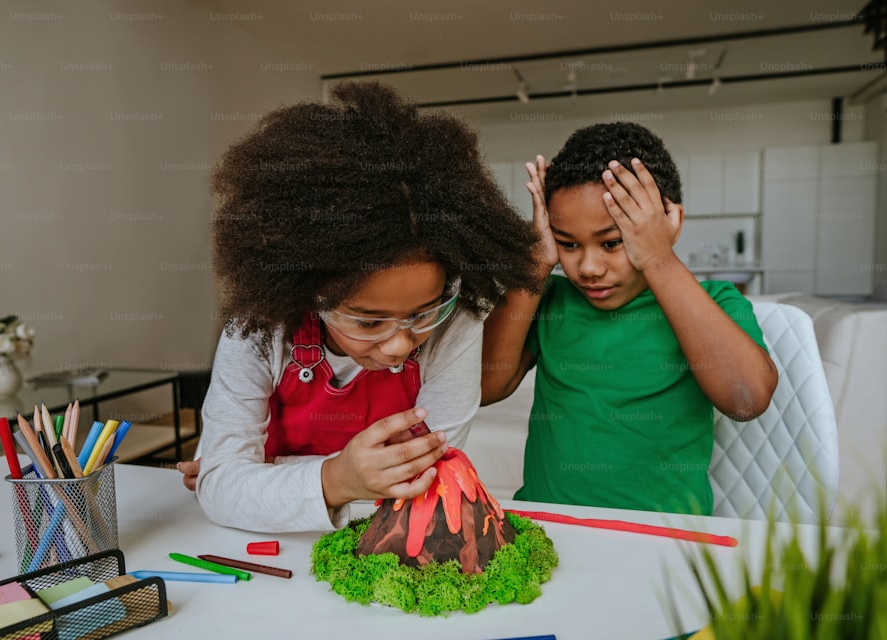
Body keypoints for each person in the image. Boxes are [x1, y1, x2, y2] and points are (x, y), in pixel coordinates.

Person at [176, 82, 540, 532]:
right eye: (369, 321)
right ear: (309, 293)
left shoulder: (456, 318)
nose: (400, 345)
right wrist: (334, 478)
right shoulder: (259, 329)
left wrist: (269, 474)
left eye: (423, 313)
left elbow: (428, 474)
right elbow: (219, 486)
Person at [481, 122, 778, 515]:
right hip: (549, 528)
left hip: (663, 541)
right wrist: (536, 261)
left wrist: (659, 258)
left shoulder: (714, 302)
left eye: (611, 242)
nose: (588, 267)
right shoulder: (549, 299)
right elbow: (484, 386)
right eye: (567, 243)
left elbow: (747, 400)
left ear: (669, 222)